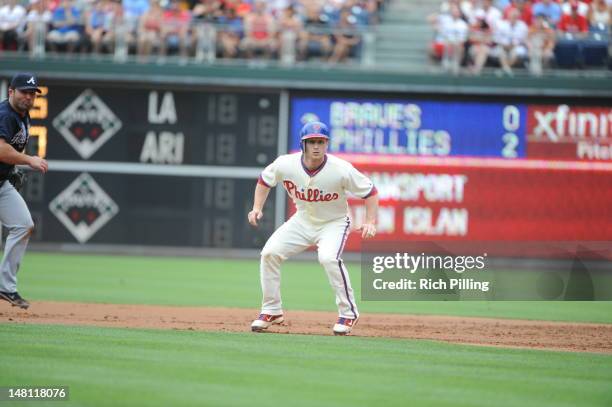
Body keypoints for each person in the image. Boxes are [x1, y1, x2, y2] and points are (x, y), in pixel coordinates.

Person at [248, 121, 379, 336]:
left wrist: (370, 221)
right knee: (270, 253)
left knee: (328, 258)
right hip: (302, 220)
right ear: (303, 144)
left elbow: (371, 192)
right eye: (311, 142)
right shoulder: (285, 164)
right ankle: (271, 309)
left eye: (321, 141)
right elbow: (264, 180)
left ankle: (348, 313)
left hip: (334, 222)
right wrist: (256, 208)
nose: (316, 146)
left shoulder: (341, 169)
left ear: (327, 144)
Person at [0, 73, 48, 309]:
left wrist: (9, 171)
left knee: (23, 224)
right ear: (11, 92)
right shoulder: (5, 115)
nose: (29, 97)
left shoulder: (23, 115)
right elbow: (1, 150)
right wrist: (29, 160)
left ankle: (6, 287)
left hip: (1, 184)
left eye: (32, 93)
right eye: (24, 92)